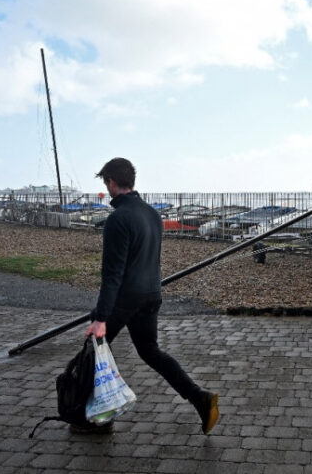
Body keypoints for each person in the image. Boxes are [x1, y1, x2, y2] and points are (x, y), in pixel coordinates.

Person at [75, 157, 219, 435]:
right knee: (150, 351)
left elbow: (113, 274)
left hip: (126, 298)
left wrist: (101, 318)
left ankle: (97, 418)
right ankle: (200, 398)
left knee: (94, 353)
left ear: (111, 182)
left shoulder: (118, 219)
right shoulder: (152, 214)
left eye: (105, 183)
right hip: (151, 294)